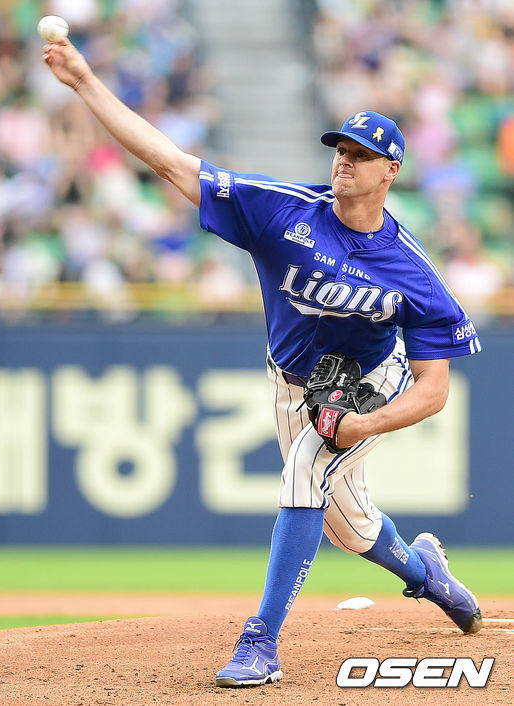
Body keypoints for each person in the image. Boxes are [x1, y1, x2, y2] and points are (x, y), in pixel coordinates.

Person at [42, 39, 483, 689]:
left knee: (305, 470)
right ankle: (427, 574)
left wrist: (364, 424)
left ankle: (261, 643)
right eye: (340, 149)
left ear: (391, 170)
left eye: (361, 154)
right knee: (351, 528)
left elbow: (434, 389)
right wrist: (84, 81)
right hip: (292, 383)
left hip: (370, 381)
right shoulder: (281, 210)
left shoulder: (412, 272)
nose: (345, 161)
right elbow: (168, 161)